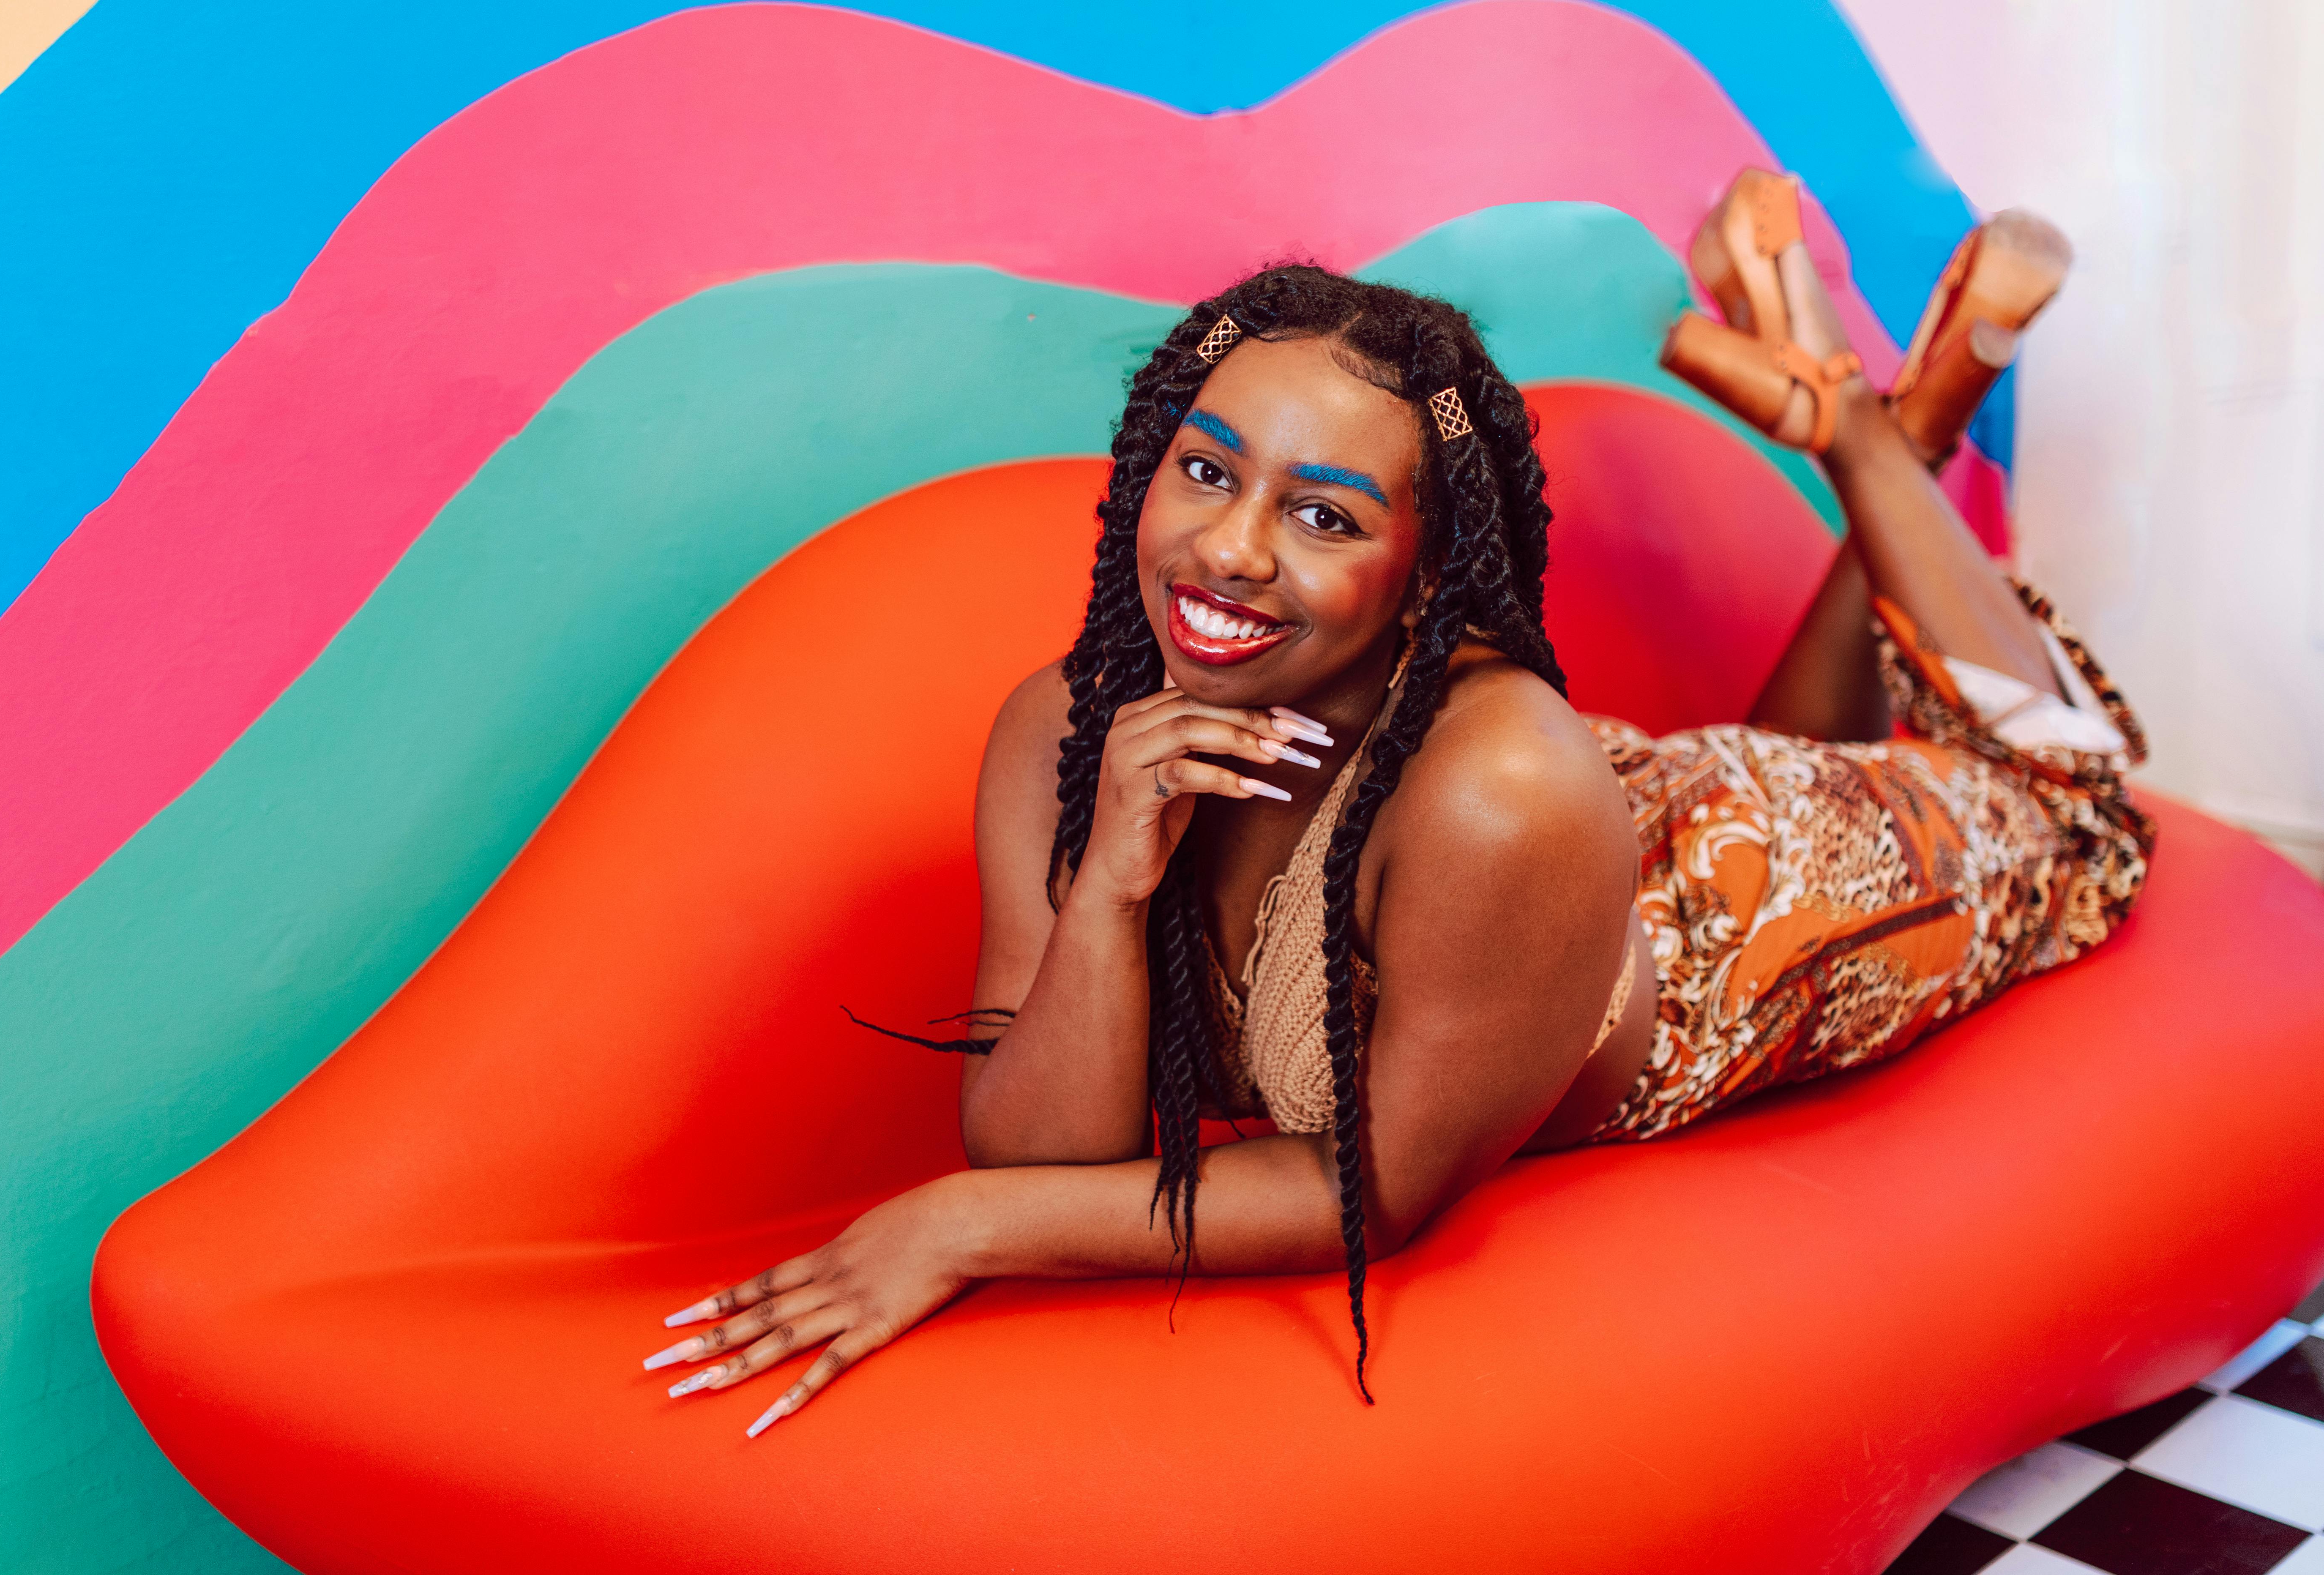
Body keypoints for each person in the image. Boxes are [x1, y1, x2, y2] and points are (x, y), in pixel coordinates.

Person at [640, 170, 2153, 1439]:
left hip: (1730, 928)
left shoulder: (1500, 790)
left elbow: (1374, 1193)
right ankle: (1878, 409)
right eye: (1206, 471)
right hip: (1571, 838)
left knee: (2073, 808)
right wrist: (1108, 879)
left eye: (1322, 517)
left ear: (1426, 573)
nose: (1230, 553)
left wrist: (956, 1231)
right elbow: (1036, 1142)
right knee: (1809, 733)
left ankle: (1886, 426)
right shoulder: (1066, 726)